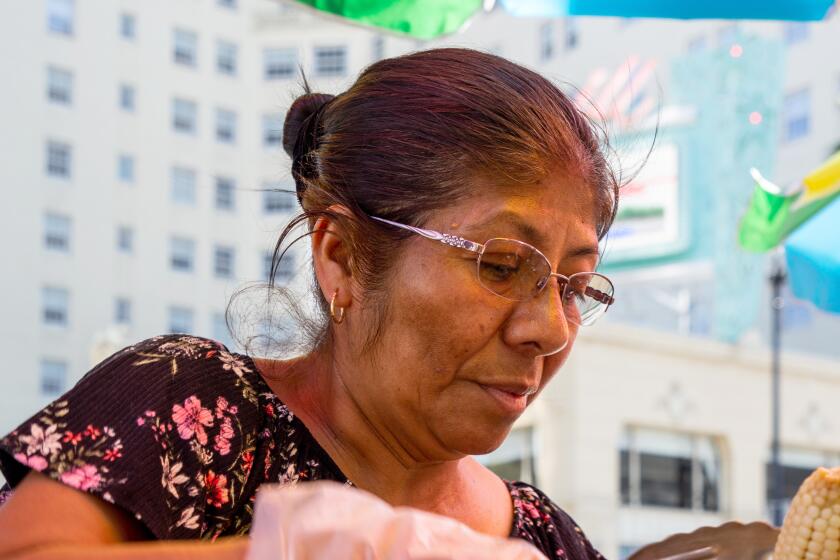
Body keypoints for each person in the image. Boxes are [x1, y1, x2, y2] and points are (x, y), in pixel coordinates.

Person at [0, 47, 618, 559]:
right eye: (502, 266)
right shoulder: (200, 411)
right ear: (340, 256)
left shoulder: (546, 540)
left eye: (574, 287)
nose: (549, 331)